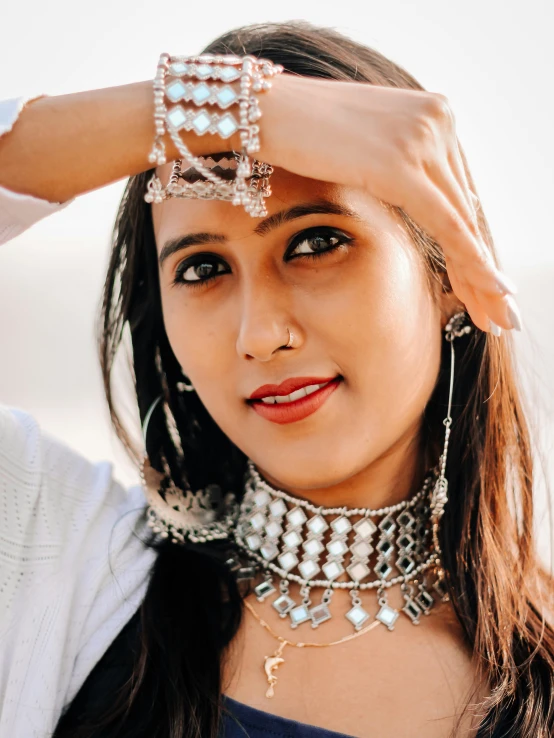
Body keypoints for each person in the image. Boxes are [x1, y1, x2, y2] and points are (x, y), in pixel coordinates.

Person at [0, 19, 552, 738]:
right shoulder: (58, 561)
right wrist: (223, 105)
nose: (259, 335)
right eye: (202, 268)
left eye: (316, 242)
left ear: (449, 271)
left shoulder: (532, 682)